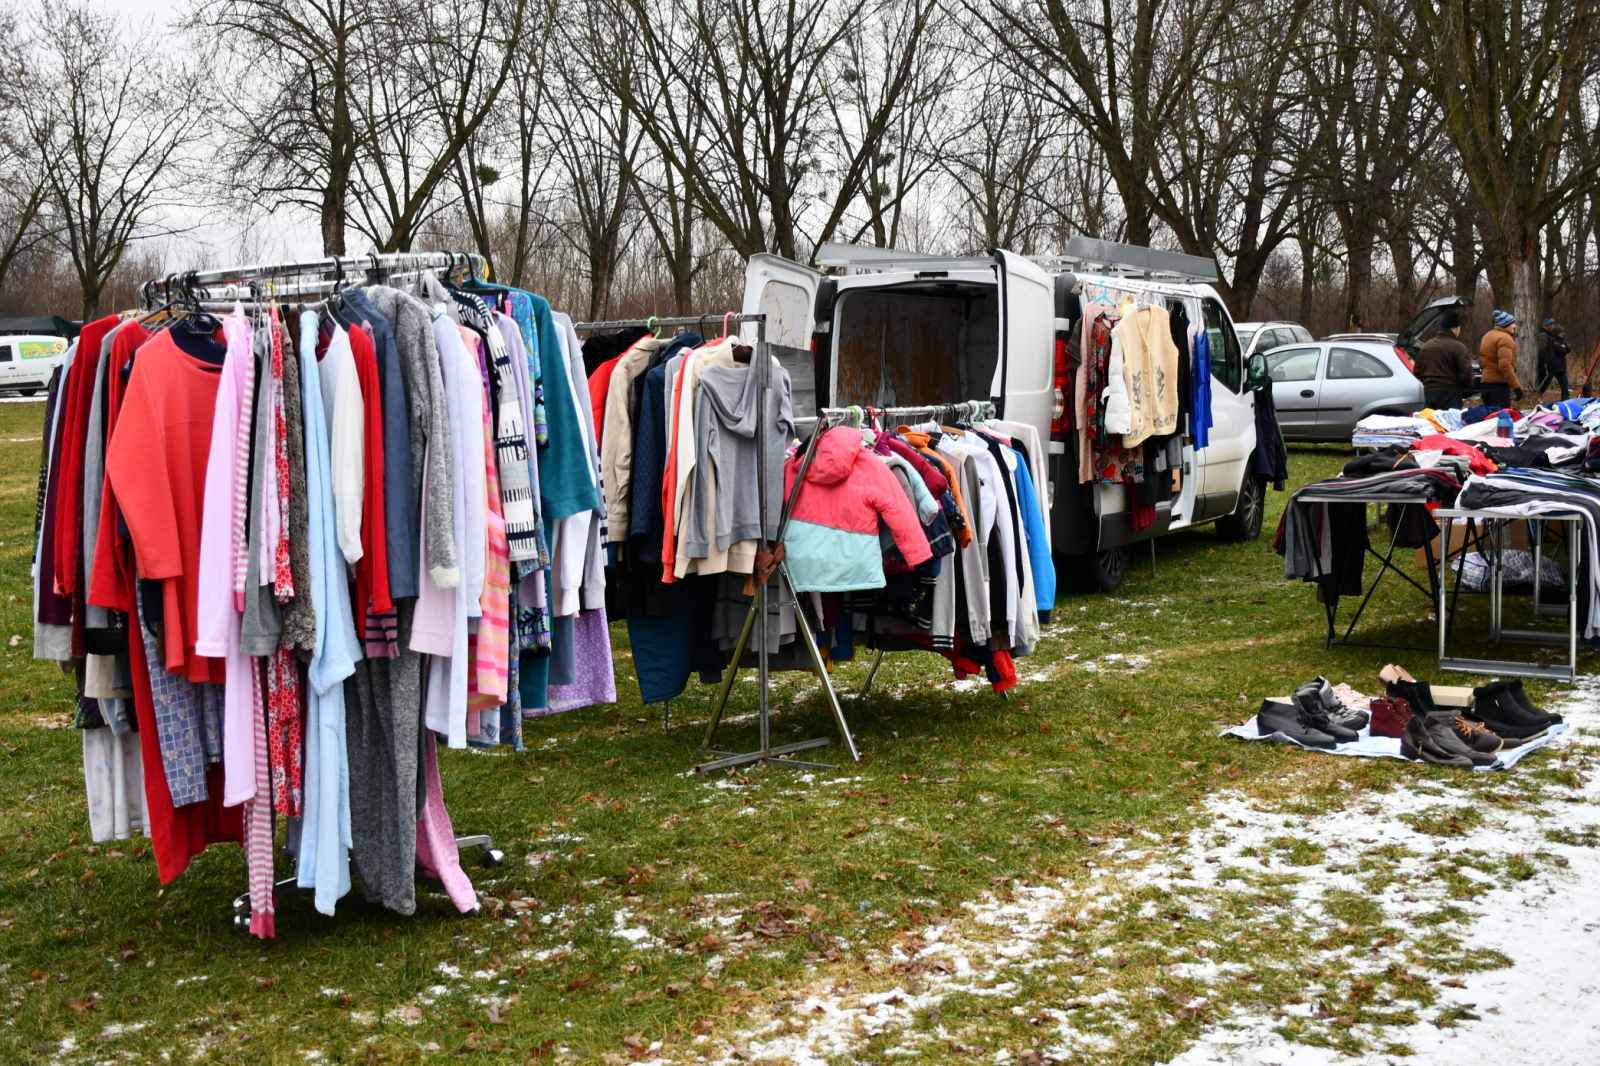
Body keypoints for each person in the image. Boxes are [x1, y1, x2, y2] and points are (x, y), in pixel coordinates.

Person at [1413, 311, 1473, 410]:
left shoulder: (1426, 346)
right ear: (1455, 329)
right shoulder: (1459, 347)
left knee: (1430, 423)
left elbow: (1417, 371)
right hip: (1450, 394)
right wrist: (1466, 388)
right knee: (1448, 424)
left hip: (1428, 393)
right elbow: (1466, 373)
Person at [1478, 309, 1522, 409]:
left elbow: (1482, 361)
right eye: (1512, 323)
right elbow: (1505, 366)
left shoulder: (1487, 335)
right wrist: (1516, 387)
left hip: (1485, 384)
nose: (1515, 326)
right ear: (1506, 324)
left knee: (1488, 418)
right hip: (1499, 386)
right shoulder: (1505, 338)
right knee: (1500, 419)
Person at [1535, 317, 1571, 401]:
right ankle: (1535, 399)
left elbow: (1567, 348)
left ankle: (1565, 403)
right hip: (1549, 366)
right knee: (1542, 386)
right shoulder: (1543, 336)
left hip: (1560, 366)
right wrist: (1545, 363)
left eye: (1553, 324)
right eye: (1550, 324)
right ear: (1545, 326)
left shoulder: (1556, 336)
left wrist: (1562, 347)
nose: (1552, 326)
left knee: (1565, 388)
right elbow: (1543, 351)